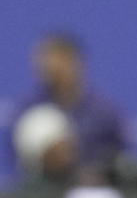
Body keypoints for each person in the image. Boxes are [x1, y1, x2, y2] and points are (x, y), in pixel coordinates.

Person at [13, 34, 126, 186]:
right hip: (44, 193)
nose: (52, 67)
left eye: (60, 60)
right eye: (47, 61)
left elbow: (119, 156)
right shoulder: (30, 112)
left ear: (76, 63)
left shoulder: (103, 113)